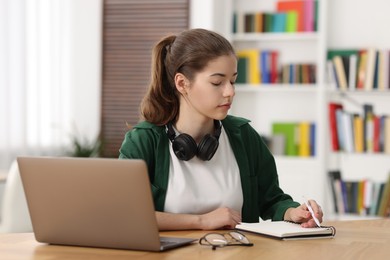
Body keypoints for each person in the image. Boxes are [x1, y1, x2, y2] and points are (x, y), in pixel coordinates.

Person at [119, 28, 323, 231]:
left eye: (232, 81)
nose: (230, 92)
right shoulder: (143, 141)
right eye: (217, 82)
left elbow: (272, 200)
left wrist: (294, 212)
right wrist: (201, 221)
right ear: (182, 83)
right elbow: (125, 215)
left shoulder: (243, 135)